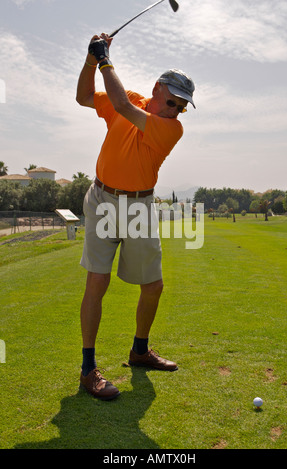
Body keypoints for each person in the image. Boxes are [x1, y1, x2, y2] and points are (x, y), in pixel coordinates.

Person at [76, 33, 195, 400]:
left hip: (140, 206)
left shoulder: (169, 128)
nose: (175, 110)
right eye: (172, 102)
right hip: (103, 200)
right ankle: (87, 368)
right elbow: (84, 97)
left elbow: (123, 107)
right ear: (158, 89)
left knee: (153, 285)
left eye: (181, 107)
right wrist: (91, 61)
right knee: (97, 281)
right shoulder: (130, 99)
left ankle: (140, 351)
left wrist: (105, 57)